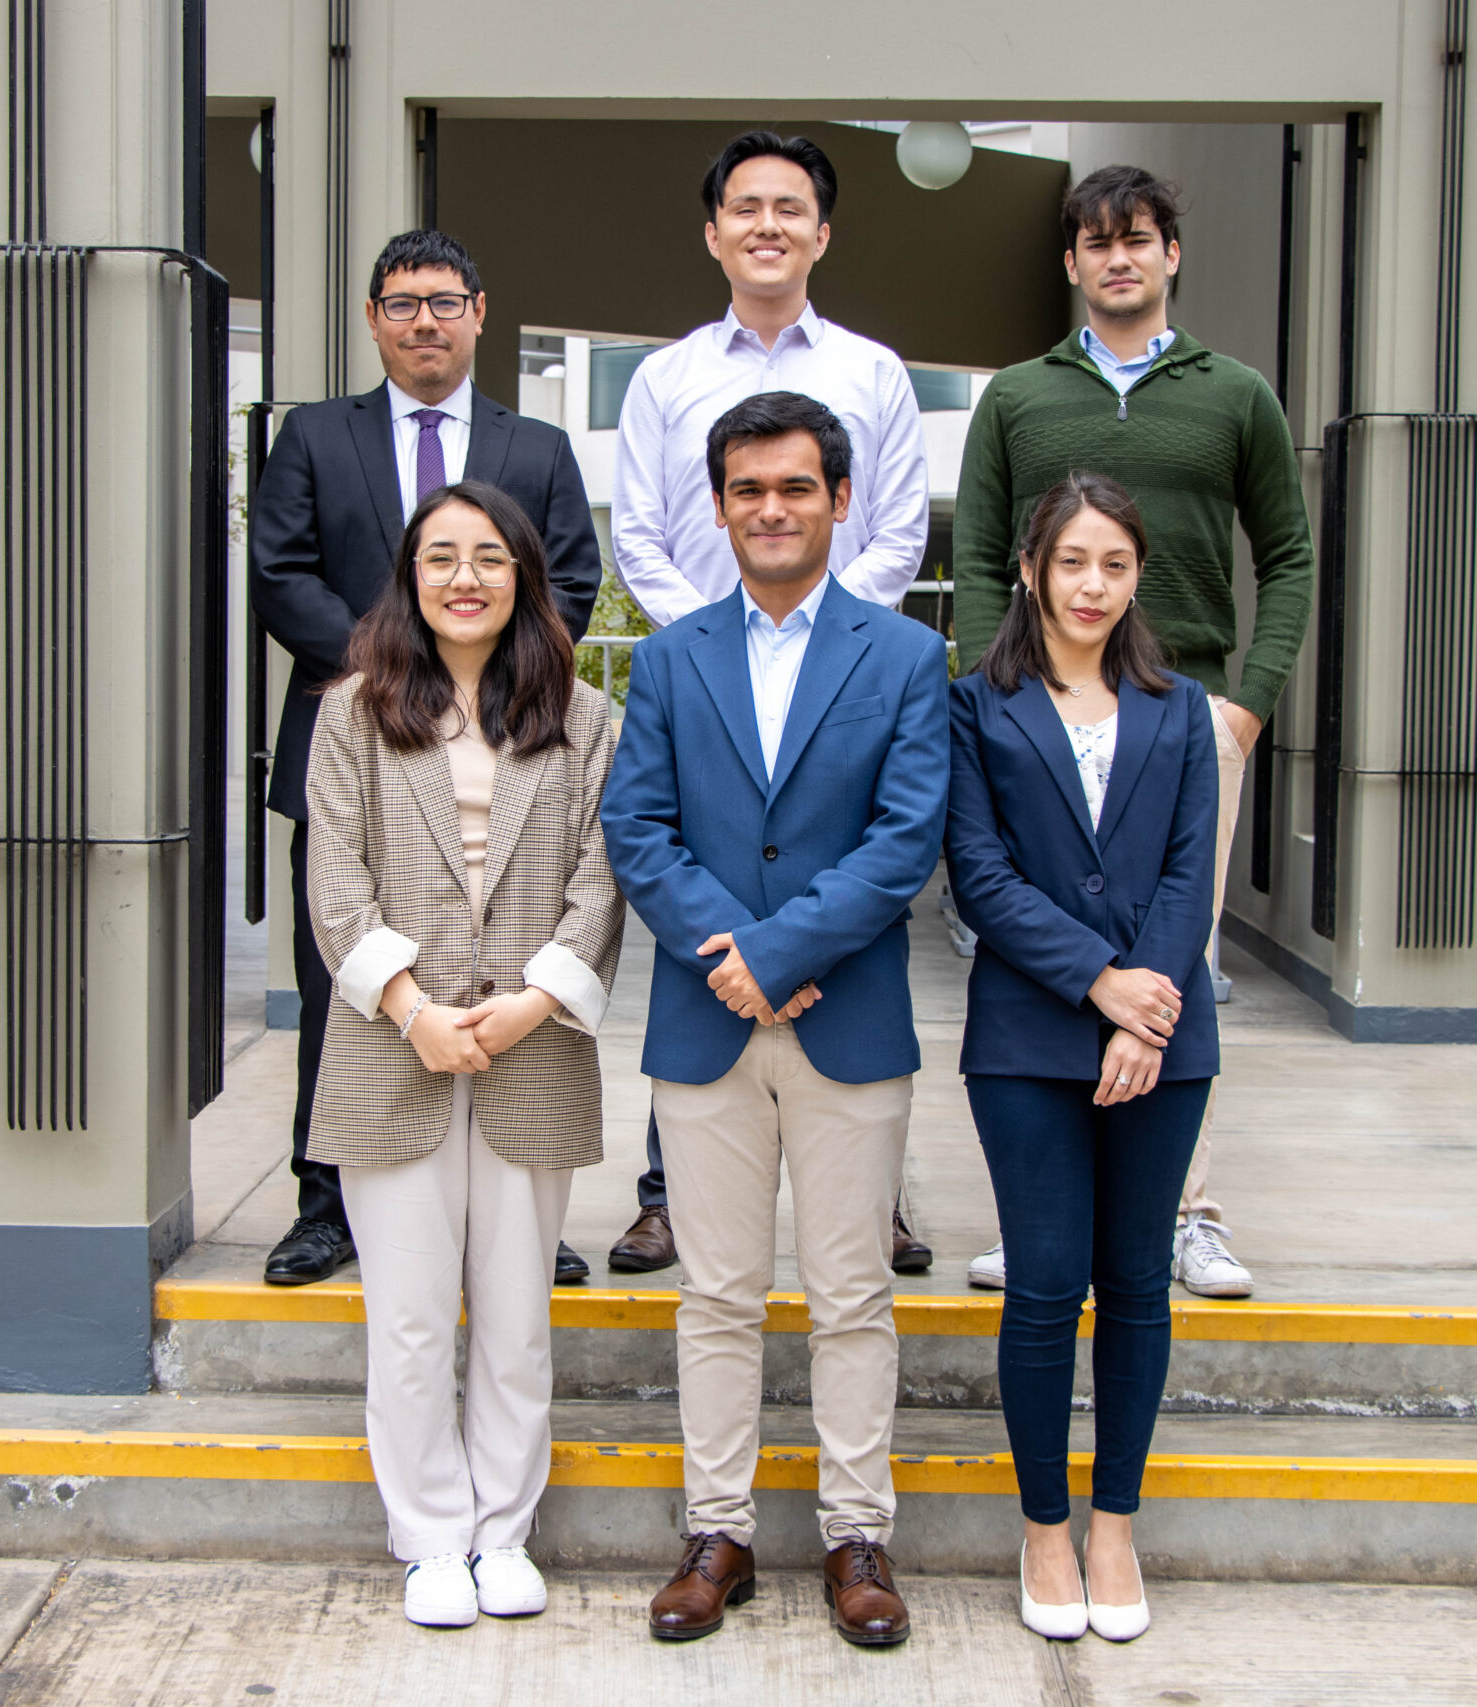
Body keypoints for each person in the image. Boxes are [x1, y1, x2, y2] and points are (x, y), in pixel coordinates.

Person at [602, 392, 949, 1648]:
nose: (771, 509)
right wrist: (735, 961)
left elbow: (906, 836)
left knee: (851, 1294)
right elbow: (638, 830)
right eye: (746, 489)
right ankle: (719, 1533)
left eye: (795, 486)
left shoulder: (903, 656)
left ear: (840, 499)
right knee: (716, 1297)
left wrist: (781, 952)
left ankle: (857, 1535)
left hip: (845, 1022)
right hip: (707, 1027)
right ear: (717, 505)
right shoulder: (669, 658)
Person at [951, 164, 1313, 1301]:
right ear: (1071, 262)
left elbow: (1290, 557)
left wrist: (1247, 702)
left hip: (1184, 719)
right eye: (1098, 241)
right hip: (1033, 720)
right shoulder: (1016, 397)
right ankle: (1040, 1211)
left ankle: (1184, 1214)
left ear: (1170, 255)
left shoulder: (1237, 395)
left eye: (1139, 238)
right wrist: (990, 700)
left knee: (1174, 955)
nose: (1119, 257)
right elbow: (978, 559)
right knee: (1037, 941)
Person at [604, 127, 935, 1279]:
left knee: (846, 902)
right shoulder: (664, 378)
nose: (766, 226)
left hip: (843, 683)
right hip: (702, 685)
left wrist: (830, 639)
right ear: (712, 234)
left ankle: (874, 1197)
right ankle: (668, 1194)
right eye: (744, 207)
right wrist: (715, 638)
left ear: (822, 233)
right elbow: (638, 530)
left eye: (789, 208)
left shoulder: (874, 374)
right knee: (702, 914)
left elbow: (897, 528)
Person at [250, 228, 602, 1286]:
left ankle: (517, 1202)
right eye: (402, 304)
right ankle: (327, 1203)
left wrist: (487, 675)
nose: (425, 322)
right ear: (373, 320)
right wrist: (397, 665)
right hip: (359, 747)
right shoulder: (315, 436)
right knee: (343, 978)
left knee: (512, 960)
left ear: (479, 313)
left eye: (445, 302)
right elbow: (279, 574)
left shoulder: (538, 448)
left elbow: (569, 581)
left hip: (511, 747)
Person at [302, 481, 624, 1627]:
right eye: (439, 557)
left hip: (533, 1050)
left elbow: (601, 881)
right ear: (410, 576)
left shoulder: (586, 718)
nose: (464, 578)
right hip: (392, 1051)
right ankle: (432, 1536)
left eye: (488, 556)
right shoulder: (353, 712)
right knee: (407, 1319)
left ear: (523, 575)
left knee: (516, 1316)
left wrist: (534, 1004)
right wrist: (411, 1009)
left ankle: (503, 1530)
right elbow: (334, 882)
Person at [946, 472, 1220, 1643]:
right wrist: (1097, 982)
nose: (1091, 585)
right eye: (1071, 562)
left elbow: (1189, 871)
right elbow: (978, 872)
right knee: (1047, 1284)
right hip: (1026, 1036)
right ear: (1029, 571)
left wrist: (1141, 1013)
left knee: (1139, 1284)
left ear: (1137, 575)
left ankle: (1115, 1524)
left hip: (1164, 1040)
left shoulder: (1180, 708)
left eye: (1113, 564)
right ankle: (1045, 1529)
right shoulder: (976, 706)